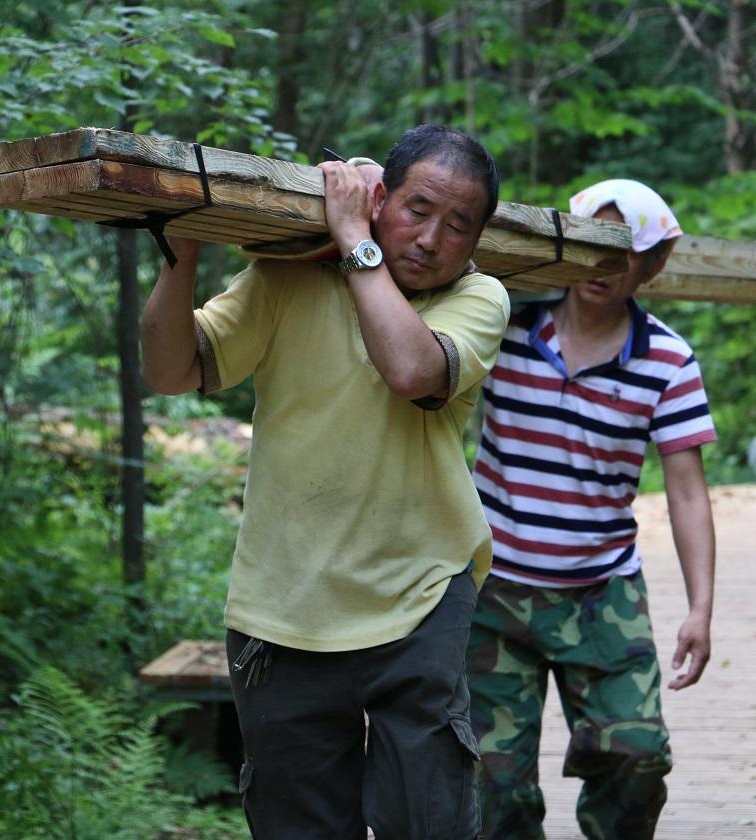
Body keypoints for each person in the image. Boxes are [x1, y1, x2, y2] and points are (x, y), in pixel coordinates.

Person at [139, 125, 510, 840]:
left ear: (476, 242)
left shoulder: (478, 298)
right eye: (417, 209)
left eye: (457, 225)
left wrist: (353, 242)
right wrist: (178, 259)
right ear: (378, 199)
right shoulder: (283, 279)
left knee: (427, 820)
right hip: (283, 608)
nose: (431, 238)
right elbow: (169, 370)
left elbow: (410, 372)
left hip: (420, 594)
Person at [467, 179, 717, 840]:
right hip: (492, 593)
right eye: (591, 245)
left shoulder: (666, 360)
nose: (605, 265)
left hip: (601, 592)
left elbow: (687, 491)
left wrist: (699, 608)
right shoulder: (502, 325)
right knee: (491, 786)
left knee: (636, 760)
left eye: (625, 251)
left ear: (653, 264)